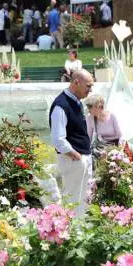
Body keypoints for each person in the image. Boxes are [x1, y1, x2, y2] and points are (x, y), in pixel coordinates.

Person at [49, 69, 94, 216]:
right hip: (73, 159)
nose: (90, 90)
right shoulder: (61, 105)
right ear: (76, 83)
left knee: (84, 198)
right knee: (73, 199)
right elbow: (58, 139)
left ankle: (82, 231)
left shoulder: (76, 102)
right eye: (88, 86)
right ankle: (72, 232)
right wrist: (75, 155)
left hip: (82, 157)